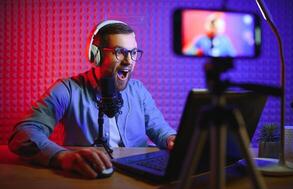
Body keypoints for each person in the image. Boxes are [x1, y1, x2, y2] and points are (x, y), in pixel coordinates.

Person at [8, 20, 177, 179]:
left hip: (138, 178)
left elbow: (159, 128)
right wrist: (63, 157)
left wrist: (171, 139)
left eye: (133, 53)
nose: (128, 61)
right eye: (119, 52)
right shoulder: (67, 89)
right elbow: (23, 135)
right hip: (89, 177)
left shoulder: (138, 90)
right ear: (96, 55)